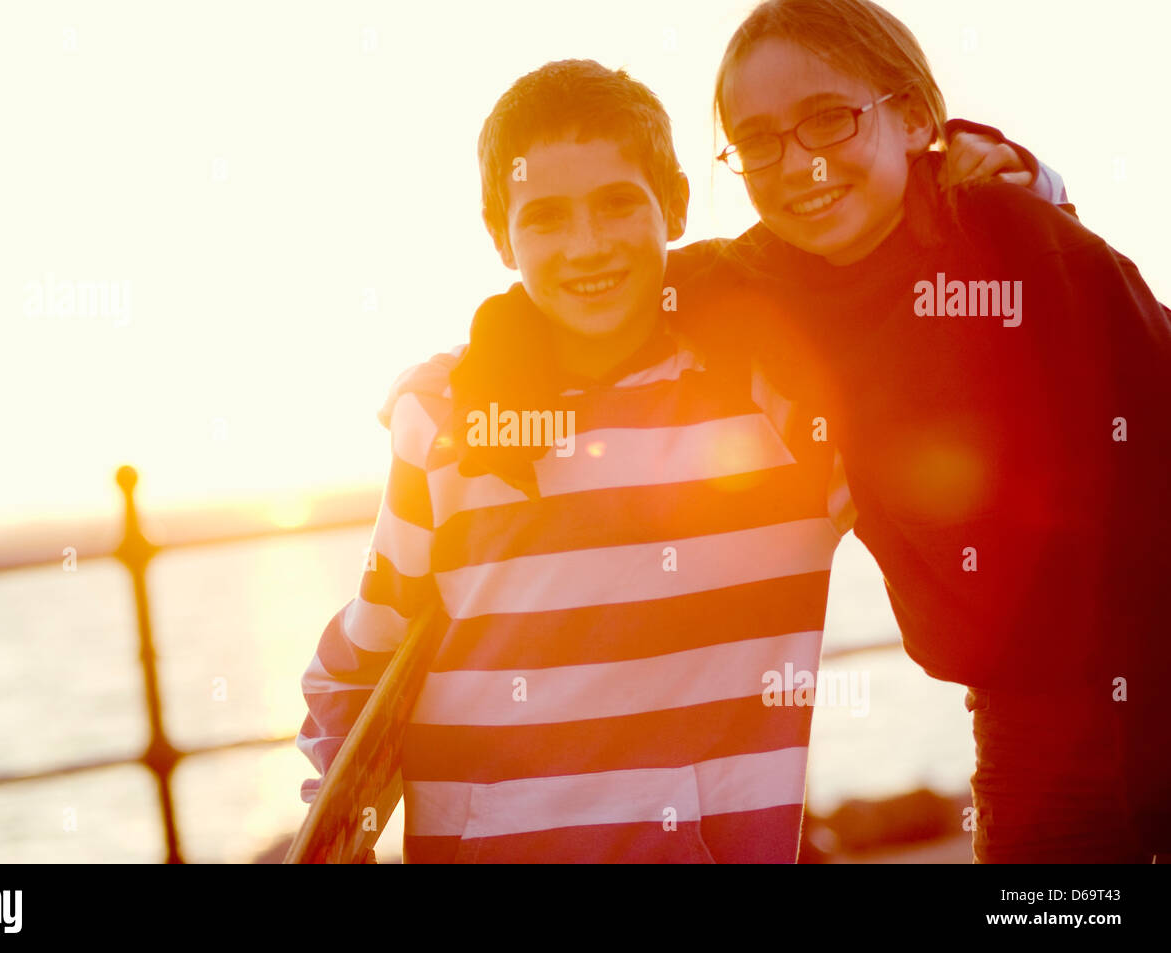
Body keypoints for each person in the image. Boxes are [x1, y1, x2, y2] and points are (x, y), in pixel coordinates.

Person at [463, 0, 1170, 863]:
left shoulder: (1019, 239)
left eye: (828, 120)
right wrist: (494, 360)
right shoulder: (770, 281)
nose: (799, 163)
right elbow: (629, 281)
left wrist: (1026, 172)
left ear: (913, 117)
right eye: (758, 140)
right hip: (1027, 720)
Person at [299, 54, 1043, 862]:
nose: (586, 245)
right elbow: (358, 665)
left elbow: (920, 293)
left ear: (677, 206)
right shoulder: (446, 414)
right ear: (499, 236)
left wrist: (1012, 179)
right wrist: (344, 835)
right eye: (545, 217)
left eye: (617, 203)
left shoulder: (780, 409)